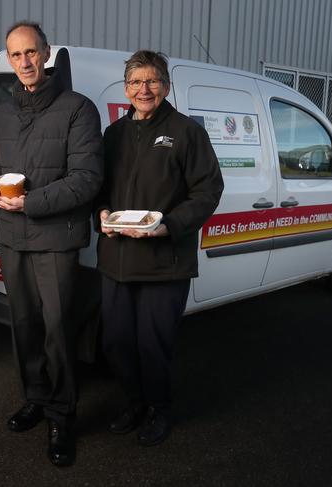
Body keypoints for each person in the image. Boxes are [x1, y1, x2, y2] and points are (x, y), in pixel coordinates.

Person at [0, 22, 103, 467]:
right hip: (13, 238)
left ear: (47, 53)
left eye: (32, 52)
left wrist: (30, 202)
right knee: (24, 326)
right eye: (16, 55)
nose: (25, 62)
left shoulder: (78, 109)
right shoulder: (2, 112)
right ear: (10, 60)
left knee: (57, 330)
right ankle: (35, 397)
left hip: (56, 239)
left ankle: (61, 414)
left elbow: (87, 179)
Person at [95, 50, 224, 446]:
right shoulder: (113, 134)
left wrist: (169, 225)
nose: (143, 89)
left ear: (165, 86)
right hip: (116, 259)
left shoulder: (186, 132)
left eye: (151, 81)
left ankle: (159, 408)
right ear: (126, 88)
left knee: (154, 344)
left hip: (164, 260)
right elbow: (98, 186)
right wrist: (100, 213)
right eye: (135, 82)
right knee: (116, 340)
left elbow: (208, 191)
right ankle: (133, 402)